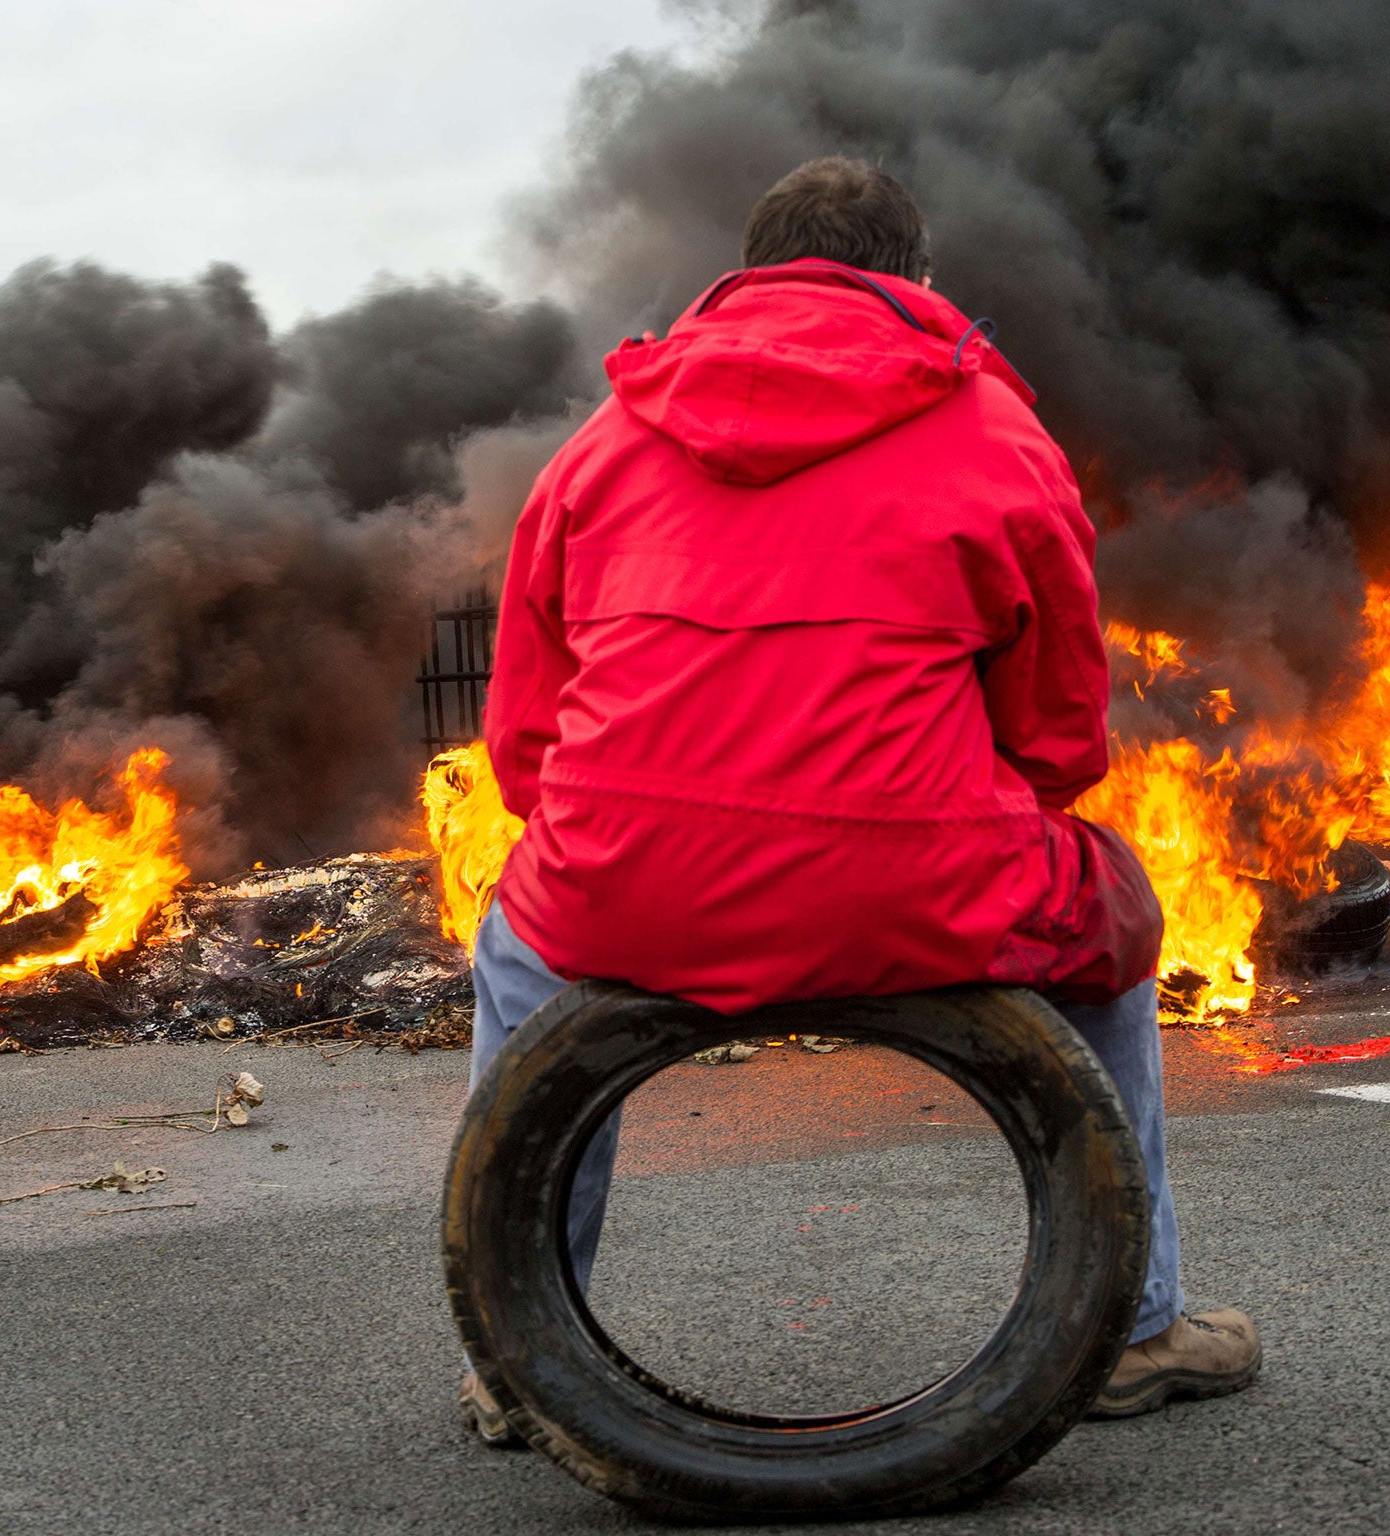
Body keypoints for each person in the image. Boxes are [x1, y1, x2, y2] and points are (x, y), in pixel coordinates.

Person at [458, 156, 1259, 1445]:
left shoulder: (599, 444)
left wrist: (646, 839)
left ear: (745, 276)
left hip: (624, 886)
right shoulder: (998, 434)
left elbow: (524, 745)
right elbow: (1057, 741)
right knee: (1113, 930)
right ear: (916, 282)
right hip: (917, 885)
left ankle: (514, 1353)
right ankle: (1135, 1328)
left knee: (515, 958)